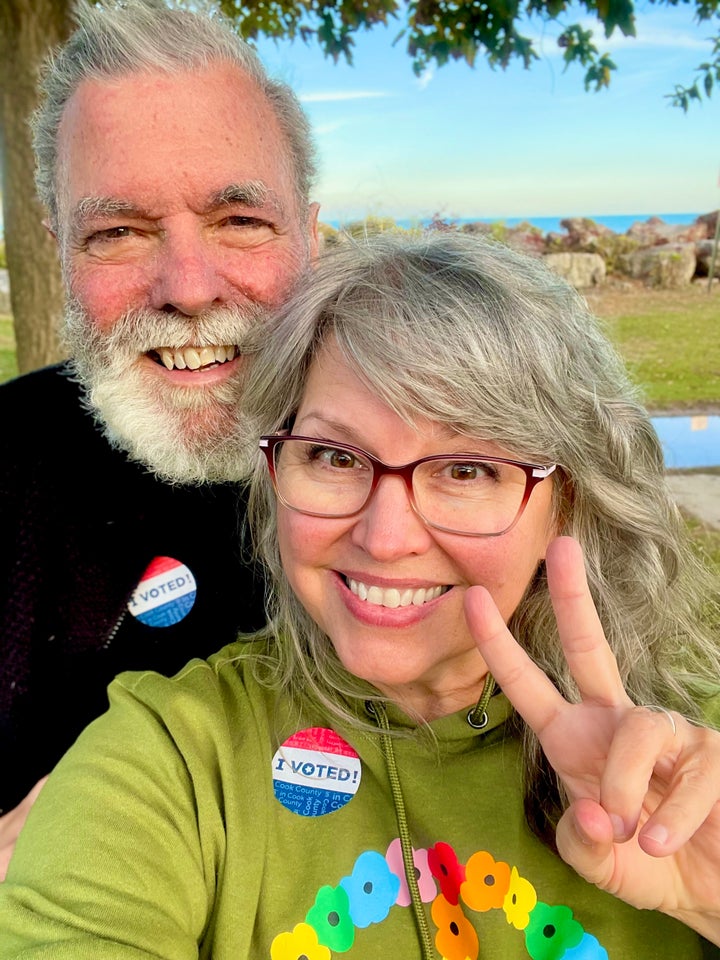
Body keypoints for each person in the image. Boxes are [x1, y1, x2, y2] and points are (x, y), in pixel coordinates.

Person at [2, 233, 720, 958]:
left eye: (467, 470)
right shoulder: (172, 762)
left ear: (563, 501)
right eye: (336, 457)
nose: (384, 536)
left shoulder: (682, 777)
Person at [0, 0, 319, 855]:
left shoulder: (448, 467)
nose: (186, 285)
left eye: (239, 220)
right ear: (57, 249)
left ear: (312, 237)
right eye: (118, 233)